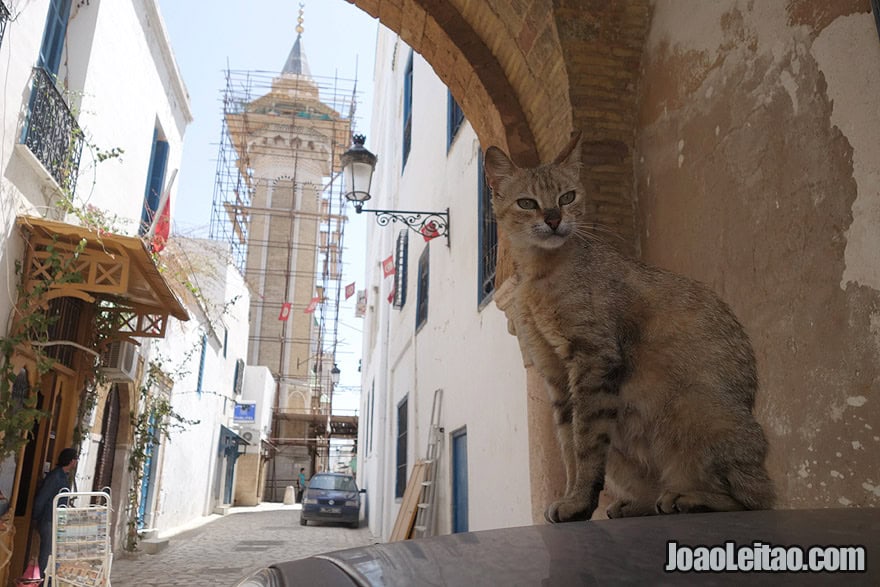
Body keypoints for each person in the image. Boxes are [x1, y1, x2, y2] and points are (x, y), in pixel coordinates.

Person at [32, 448, 78, 578]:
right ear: (72, 461)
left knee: (52, 553)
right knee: (46, 554)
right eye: (75, 459)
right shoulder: (56, 476)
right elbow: (43, 497)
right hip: (48, 519)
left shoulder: (63, 476)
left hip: (55, 520)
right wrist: (36, 517)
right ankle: (42, 581)